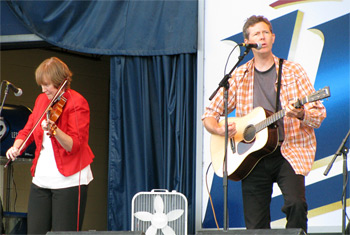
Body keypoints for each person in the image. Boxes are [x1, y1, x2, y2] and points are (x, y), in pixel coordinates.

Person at [202, 15, 326, 233]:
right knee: (256, 223)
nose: (262, 37)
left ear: (273, 37)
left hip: (288, 150)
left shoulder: (293, 71)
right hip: (250, 156)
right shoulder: (238, 76)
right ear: (248, 41)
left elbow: (318, 114)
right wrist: (220, 129)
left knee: (296, 205)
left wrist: (299, 113)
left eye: (266, 32)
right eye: (256, 34)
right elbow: (209, 115)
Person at [6, 57, 94, 234]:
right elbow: (28, 130)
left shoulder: (77, 103)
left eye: (47, 85)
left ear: (61, 82)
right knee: (35, 230)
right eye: (41, 84)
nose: (43, 89)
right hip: (42, 178)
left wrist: (55, 130)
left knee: (64, 232)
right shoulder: (41, 100)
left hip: (69, 178)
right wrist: (16, 147)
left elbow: (74, 145)